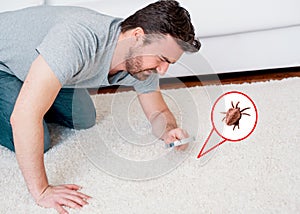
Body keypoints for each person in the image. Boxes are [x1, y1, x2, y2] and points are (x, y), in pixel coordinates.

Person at [0, 0, 200, 213]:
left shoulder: (141, 63)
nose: (163, 70)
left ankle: (34, 88)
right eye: (162, 59)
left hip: (34, 64)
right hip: (4, 65)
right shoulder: (78, 39)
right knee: (38, 136)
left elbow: (158, 111)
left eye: (169, 63)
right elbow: (24, 117)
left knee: (83, 117)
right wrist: (42, 191)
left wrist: (169, 131)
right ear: (138, 36)